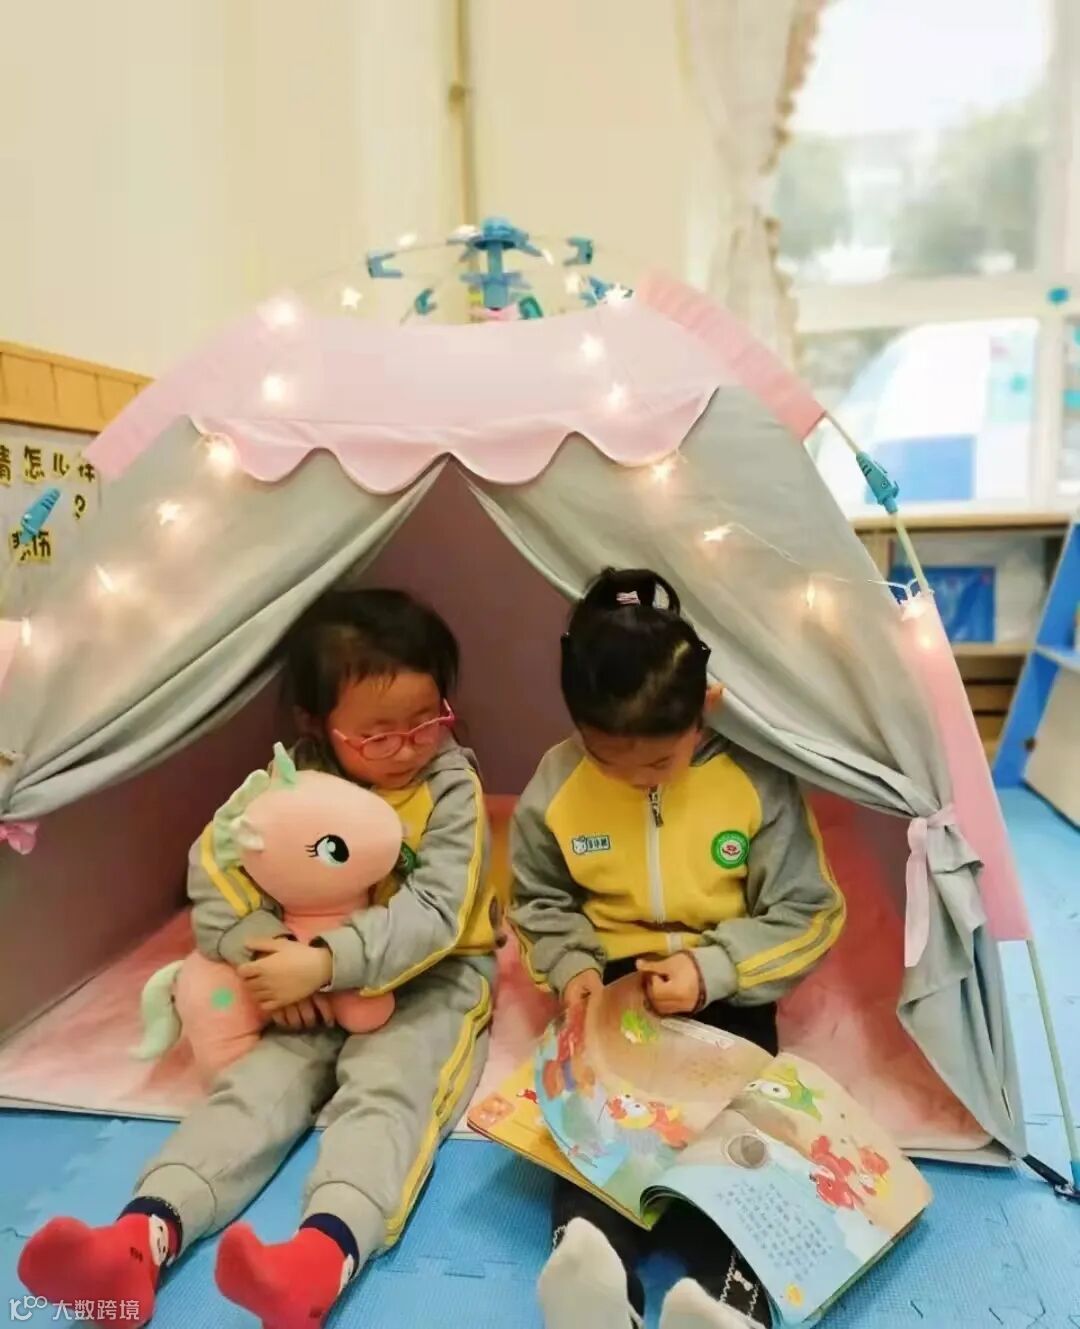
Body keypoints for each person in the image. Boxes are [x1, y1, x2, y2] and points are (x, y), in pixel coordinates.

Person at [19, 589, 497, 1329]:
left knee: (389, 1092)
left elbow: (437, 911)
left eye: (427, 720)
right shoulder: (286, 782)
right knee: (253, 1092)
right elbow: (218, 873)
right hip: (301, 979)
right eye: (377, 734)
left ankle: (319, 1258)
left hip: (429, 980)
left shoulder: (451, 786)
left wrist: (327, 961)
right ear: (316, 723)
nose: (408, 746)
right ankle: (140, 1237)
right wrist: (263, 955)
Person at [510, 568, 846, 1329]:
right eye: (608, 759)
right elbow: (538, 899)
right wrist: (572, 967)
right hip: (612, 987)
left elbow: (809, 911)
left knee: (739, 1137)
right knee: (592, 1125)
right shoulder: (557, 783)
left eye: (659, 763)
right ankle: (593, 1267)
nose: (634, 778)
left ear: (707, 706)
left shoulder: (754, 779)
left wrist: (712, 969)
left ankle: (728, 1300)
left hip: (727, 985)